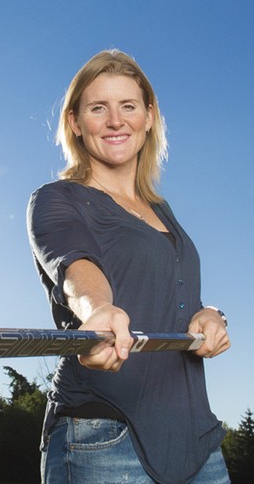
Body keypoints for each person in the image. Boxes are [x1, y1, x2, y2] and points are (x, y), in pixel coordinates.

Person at [27, 50, 231, 484]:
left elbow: (172, 294)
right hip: (106, 436)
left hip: (197, 441)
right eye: (99, 108)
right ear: (75, 123)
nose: (116, 120)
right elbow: (75, 265)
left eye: (129, 106)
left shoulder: (162, 211)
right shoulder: (57, 200)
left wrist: (210, 314)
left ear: (149, 116)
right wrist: (97, 309)